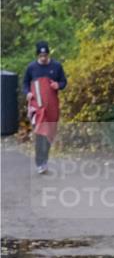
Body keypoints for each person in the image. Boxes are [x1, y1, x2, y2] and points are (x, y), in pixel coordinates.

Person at [22, 41, 66, 174]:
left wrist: (58, 85)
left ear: (48, 54)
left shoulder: (56, 66)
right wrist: (27, 93)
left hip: (52, 106)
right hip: (38, 106)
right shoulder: (31, 68)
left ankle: (44, 160)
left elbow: (64, 82)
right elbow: (25, 83)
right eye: (41, 56)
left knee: (50, 134)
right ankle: (40, 163)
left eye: (45, 55)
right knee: (41, 133)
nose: (43, 58)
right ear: (37, 55)